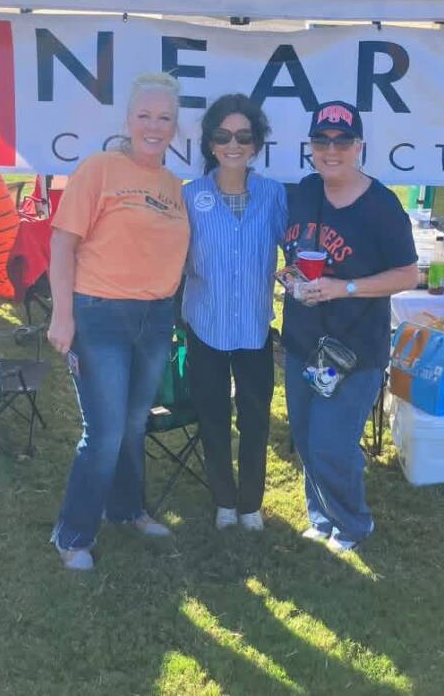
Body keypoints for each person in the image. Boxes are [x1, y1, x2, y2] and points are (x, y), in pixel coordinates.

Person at [47, 73, 189, 571]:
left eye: (164, 118)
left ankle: (127, 509)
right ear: (128, 121)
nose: (154, 126)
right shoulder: (99, 169)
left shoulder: (173, 186)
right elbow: (62, 243)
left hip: (155, 318)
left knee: (132, 423)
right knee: (105, 431)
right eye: (144, 116)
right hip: (99, 315)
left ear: (175, 127)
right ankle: (72, 535)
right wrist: (62, 315)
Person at [282, 101, 418, 553]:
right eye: (321, 141)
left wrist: (346, 288)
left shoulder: (381, 205)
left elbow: (408, 275)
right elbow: (294, 253)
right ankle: (322, 518)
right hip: (303, 341)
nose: (331, 150)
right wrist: (292, 279)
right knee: (306, 439)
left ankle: (354, 524)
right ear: (311, 146)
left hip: (355, 350)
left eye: (342, 141)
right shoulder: (304, 191)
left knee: (331, 444)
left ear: (359, 146)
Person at [182, 94, 287, 531]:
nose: (233, 145)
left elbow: (294, 247)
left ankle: (250, 505)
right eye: (223, 136)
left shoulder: (273, 195)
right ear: (210, 142)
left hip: (254, 329)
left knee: (255, 418)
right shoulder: (190, 196)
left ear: (256, 144)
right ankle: (224, 501)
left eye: (244, 136)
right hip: (205, 325)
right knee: (213, 418)